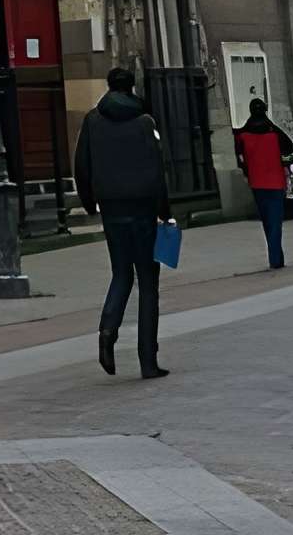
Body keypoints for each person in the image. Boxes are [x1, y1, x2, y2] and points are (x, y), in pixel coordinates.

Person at [74, 63, 172, 379]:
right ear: (131, 87)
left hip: (111, 207)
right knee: (148, 281)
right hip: (143, 207)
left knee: (120, 273)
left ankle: (107, 331)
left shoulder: (92, 120)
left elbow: (82, 164)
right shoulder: (145, 122)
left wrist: (90, 202)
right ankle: (148, 358)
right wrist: (165, 211)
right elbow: (158, 170)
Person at [234, 96, 293, 269]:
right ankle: (276, 258)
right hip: (276, 182)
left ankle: (275, 255)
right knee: (276, 220)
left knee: (267, 220)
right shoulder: (275, 133)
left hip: (257, 183)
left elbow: (241, 159)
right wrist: (287, 168)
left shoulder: (242, 136)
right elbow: (289, 151)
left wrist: (247, 173)